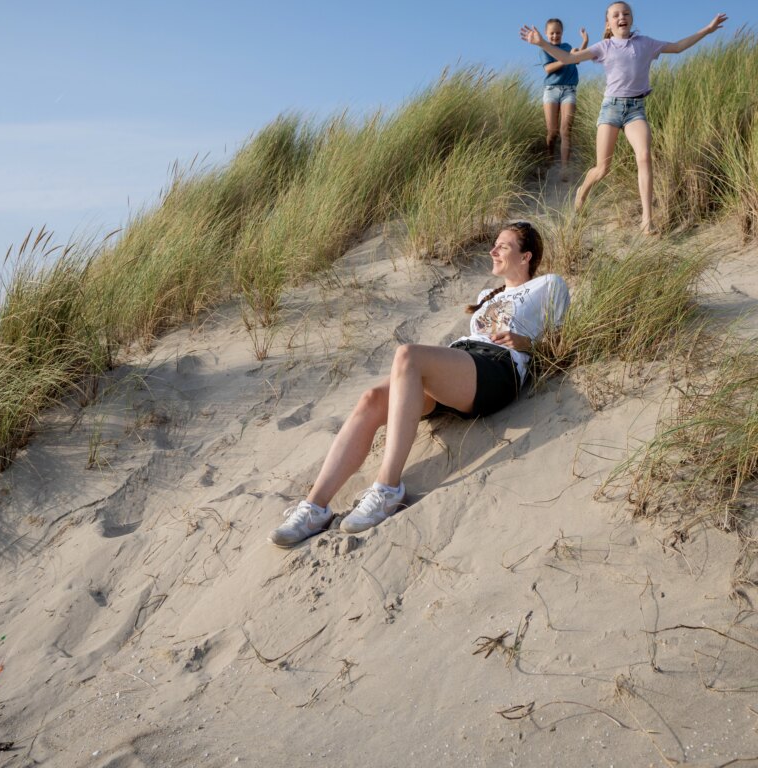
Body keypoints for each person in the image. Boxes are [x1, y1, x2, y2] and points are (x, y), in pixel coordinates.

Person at [268, 222, 570, 547]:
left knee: (408, 356)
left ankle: (387, 489)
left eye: (503, 246)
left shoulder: (549, 285)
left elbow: (563, 341)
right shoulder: (487, 295)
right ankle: (315, 507)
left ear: (526, 256)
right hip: (462, 364)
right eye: (494, 245)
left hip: (499, 367)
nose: (493, 251)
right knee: (371, 398)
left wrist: (526, 342)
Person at [521, 4, 727, 234]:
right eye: (616, 15)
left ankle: (647, 219)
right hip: (611, 109)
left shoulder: (645, 43)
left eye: (626, 13)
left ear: (631, 19)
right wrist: (542, 43)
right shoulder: (604, 47)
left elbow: (678, 47)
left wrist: (707, 30)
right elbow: (569, 59)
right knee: (602, 168)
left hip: (635, 109)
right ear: (608, 24)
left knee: (644, 156)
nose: (622, 17)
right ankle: (582, 190)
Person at [539, 18, 589, 181]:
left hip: (569, 90)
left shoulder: (567, 47)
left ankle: (564, 168)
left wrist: (584, 42)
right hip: (551, 91)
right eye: (552, 33)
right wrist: (567, 58)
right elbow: (548, 69)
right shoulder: (544, 49)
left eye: (558, 33)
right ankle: (549, 158)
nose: (555, 36)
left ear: (562, 33)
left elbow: (578, 59)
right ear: (546, 34)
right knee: (552, 132)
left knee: (565, 130)